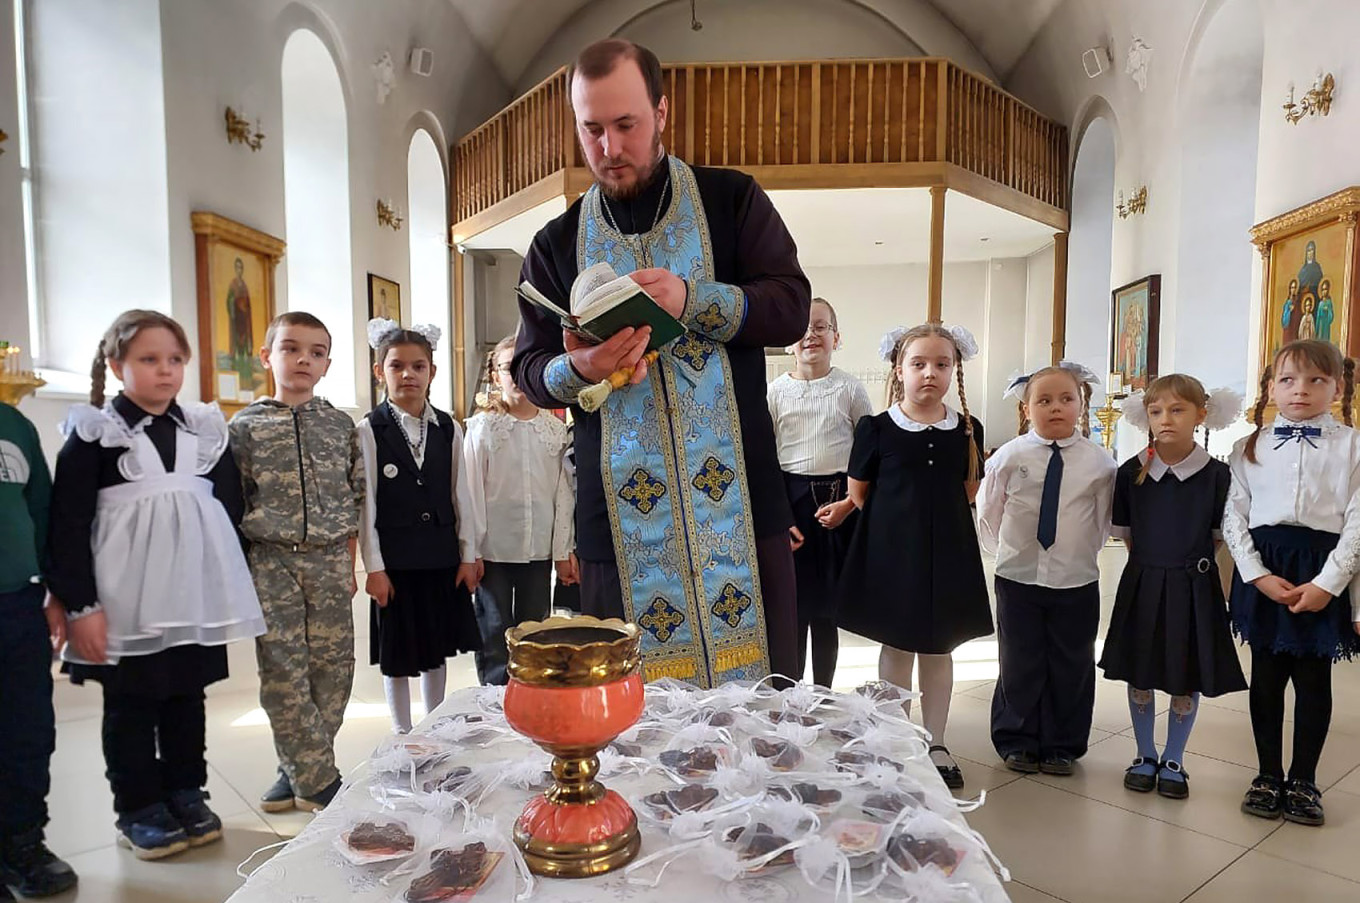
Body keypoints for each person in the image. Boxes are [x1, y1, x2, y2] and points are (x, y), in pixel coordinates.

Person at [511, 38, 810, 687]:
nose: (610, 148)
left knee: (763, 711)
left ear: (662, 112)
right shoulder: (556, 244)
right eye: (592, 129)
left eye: (627, 125)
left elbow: (790, 305)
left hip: (740, 511)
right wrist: (583, 367)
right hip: (619, 531)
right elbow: (528, 369)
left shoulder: (731, 201)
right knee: (633, 719)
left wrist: (692, 298)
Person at [46, 310, 265, 859]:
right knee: (131, 706)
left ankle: (187, 791)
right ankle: (139, 806)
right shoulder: (95, 433)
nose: (165, 371)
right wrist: (81, 605)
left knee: (186, 698)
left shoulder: (202, 430)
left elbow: (225, 509)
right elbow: (67, 526)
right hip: (123, 604)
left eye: (174, 360)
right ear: (117, 365)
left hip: (190, 600)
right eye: (149, 360)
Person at [835, 323, 993, 790]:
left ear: (954, 372)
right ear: (899, 370)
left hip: (949, 553)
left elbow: (969, 489)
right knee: (897, 644)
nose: (930, 373)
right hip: (893, 553)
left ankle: (937, 740)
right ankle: (894, 736)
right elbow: (859, 493)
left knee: (939, 646)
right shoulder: (876, 428)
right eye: (918, 364)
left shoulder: (967, 429)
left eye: (941, 365)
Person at [228, 312, 363, 814]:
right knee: (285, 672)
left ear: (327, 364)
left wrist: (350, 566)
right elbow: (234, 501)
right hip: (272, 562)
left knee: (333, 670)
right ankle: (317, 779)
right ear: (267, 357)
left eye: (316, 351)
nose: (303, 358)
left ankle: (300, 767)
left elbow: (355, 499)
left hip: (329, 563)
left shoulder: (339, 425)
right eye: (290, 348)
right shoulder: (245, 427)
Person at [1225, 339, 1360, 827]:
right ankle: (1266, 774)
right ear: (1270, 388)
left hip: (1323, 570)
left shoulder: (1354, 447)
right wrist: (1256, 576)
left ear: (1337, 386)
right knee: (1265, 678)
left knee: (1312, 680)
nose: (1300, 390)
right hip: (1267, 569)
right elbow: (1233, 517)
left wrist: (1329, 583)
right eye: (1287, 380)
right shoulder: (1247, 447)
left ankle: (1303, 779)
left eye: (1315, 380)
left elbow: (1358, 522)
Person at [1098, 376, 1247, 800]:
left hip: (1193, 586)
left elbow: (1220, 538)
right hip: (1144, 581)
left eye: (1178, 410)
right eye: (1157, 410)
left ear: (1202, 414)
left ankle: (1175, 757)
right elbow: (1126, 534)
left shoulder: (1217, 475)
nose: (1166, 419)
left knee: (1186, 672)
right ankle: (1144, 753)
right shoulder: (1131, 472)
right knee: (1140, 668)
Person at [978, 362, 1116, 776]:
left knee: (1071, 662)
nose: (1055, 407)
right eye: (1044, 400)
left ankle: (1063, 743)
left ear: (1081, 404)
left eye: (1066, 399)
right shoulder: (1009, 456)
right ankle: (1017, 739)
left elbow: (1103, 519)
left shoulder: (1100, 464)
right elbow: (989, 509)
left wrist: (1084, 556)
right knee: (1019, 659)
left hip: (1075, 578)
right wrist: (997, 551)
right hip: (1018, 576)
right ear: (1026, 409)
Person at [358, 320, 482, 733]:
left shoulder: (449, 427)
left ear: (432, 371)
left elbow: (461, 494)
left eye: (418, 366)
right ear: (380, 371)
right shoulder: (368, 431)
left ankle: (434, 722)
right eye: (397, 366)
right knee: (398, 650)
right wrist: (374, 567)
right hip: (395, 560)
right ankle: (401, 731)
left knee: (435, 646)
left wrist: (468, 555)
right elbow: (367, 504)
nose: (408, 374)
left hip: (439, 556)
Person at [765, 298, 873, 687]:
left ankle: (824, 690)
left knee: (828, 607)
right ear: (788, 341)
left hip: (840, 501)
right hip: (790, 500)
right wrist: (781, 519)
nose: (811, 334)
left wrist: (848, 504)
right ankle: (790, 691)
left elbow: (868, 454)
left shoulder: (849, 389)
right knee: (793, 606)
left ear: (836, 337)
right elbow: (765, 460)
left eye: (821, 326)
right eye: (803, 327)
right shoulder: (775, 392)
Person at [465, 336, 575, 686]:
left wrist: (562, 551)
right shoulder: (483, 428)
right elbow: (470, 492)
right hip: (493, 549)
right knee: (494, 627)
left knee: (534, 627)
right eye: (507, 368)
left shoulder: (555, 432)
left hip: (537, 548)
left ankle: (530, 693)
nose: (515, 375)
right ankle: (494, 697)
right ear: (496, 376)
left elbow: (563, 495)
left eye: (522, 366)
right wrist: (472, 550)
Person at [0, 402, 77, 895]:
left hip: (19, 603)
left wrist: (54, 591)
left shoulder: (14, 426)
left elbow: (42, 509)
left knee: (28, 731)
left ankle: (23, 841)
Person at [1281, 279, 1301, 346]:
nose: (1293, 289)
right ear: (1290, 289)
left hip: (1295, 327)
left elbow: (1299, 313)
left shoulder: (1297, 301)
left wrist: (1295, 310)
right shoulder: (1287, 302)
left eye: (1295, 287)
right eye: (1292, 287)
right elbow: (1284, 317)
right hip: (1288, 327)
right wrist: (1289, 311)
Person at [1316, 279, 1336, 344]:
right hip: (1320, 325)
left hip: (1326, 325)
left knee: (1325, 341)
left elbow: (1331, 316)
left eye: (1326, 289)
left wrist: (1327, 310)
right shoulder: (1320, 303)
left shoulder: (1329, 302)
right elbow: (1318, 317)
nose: (1324, 291)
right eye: (1323, 289)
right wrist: (1316, 329)